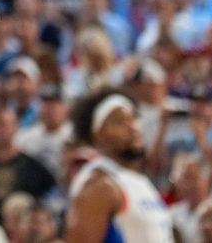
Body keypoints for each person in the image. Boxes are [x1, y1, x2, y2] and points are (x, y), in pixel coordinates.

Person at [65, 90, 172, 242]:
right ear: (98, 135)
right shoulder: (97, 185)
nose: (133, 128)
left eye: (134, 118)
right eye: (119, 122)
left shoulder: (137, 180)